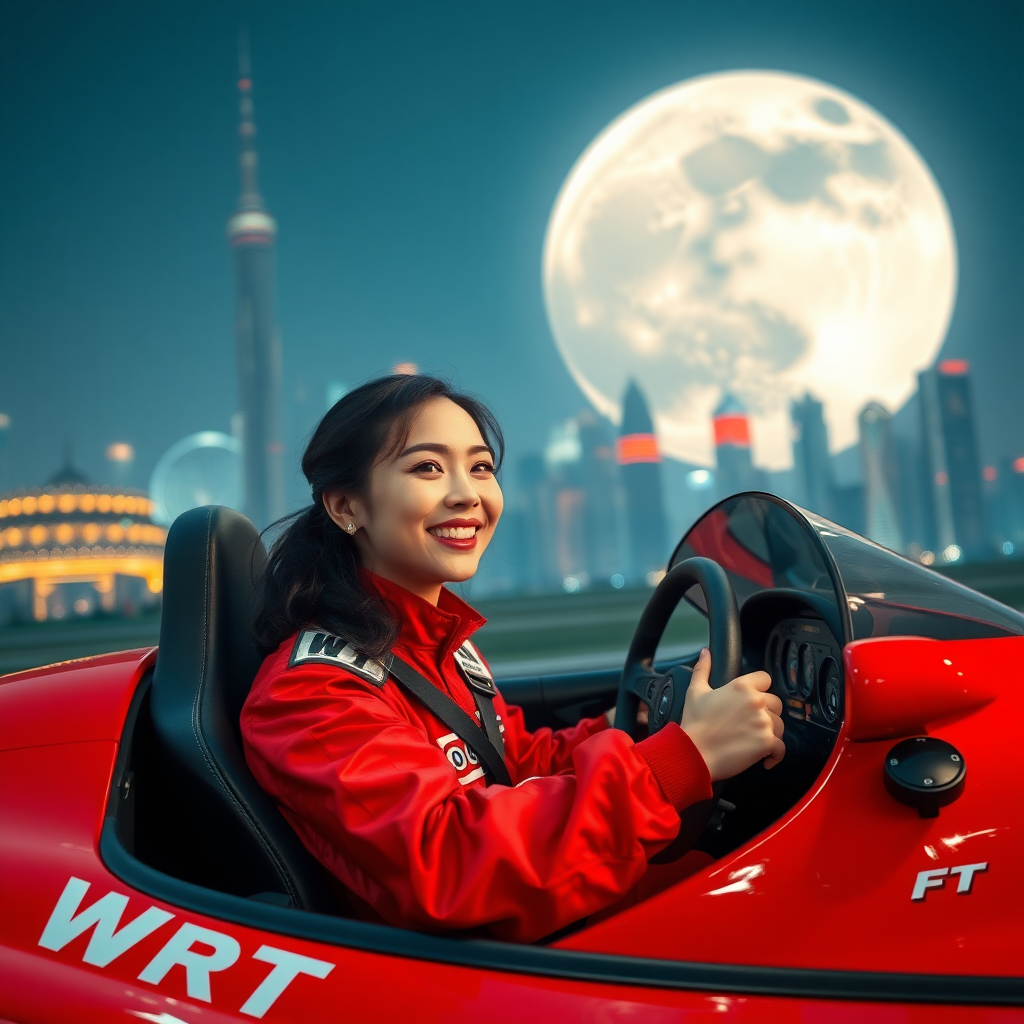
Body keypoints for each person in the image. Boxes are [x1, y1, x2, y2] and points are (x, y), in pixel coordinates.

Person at [242, 374, 785, 943]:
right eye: (427, 468)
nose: (466, 494)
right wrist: (683, 758)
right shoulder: (311, 694)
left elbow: (513, 765)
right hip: (471, 975)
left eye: (479, 467)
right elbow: (450, 864)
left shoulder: (435, 646)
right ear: (345, 505)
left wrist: (640, 724)